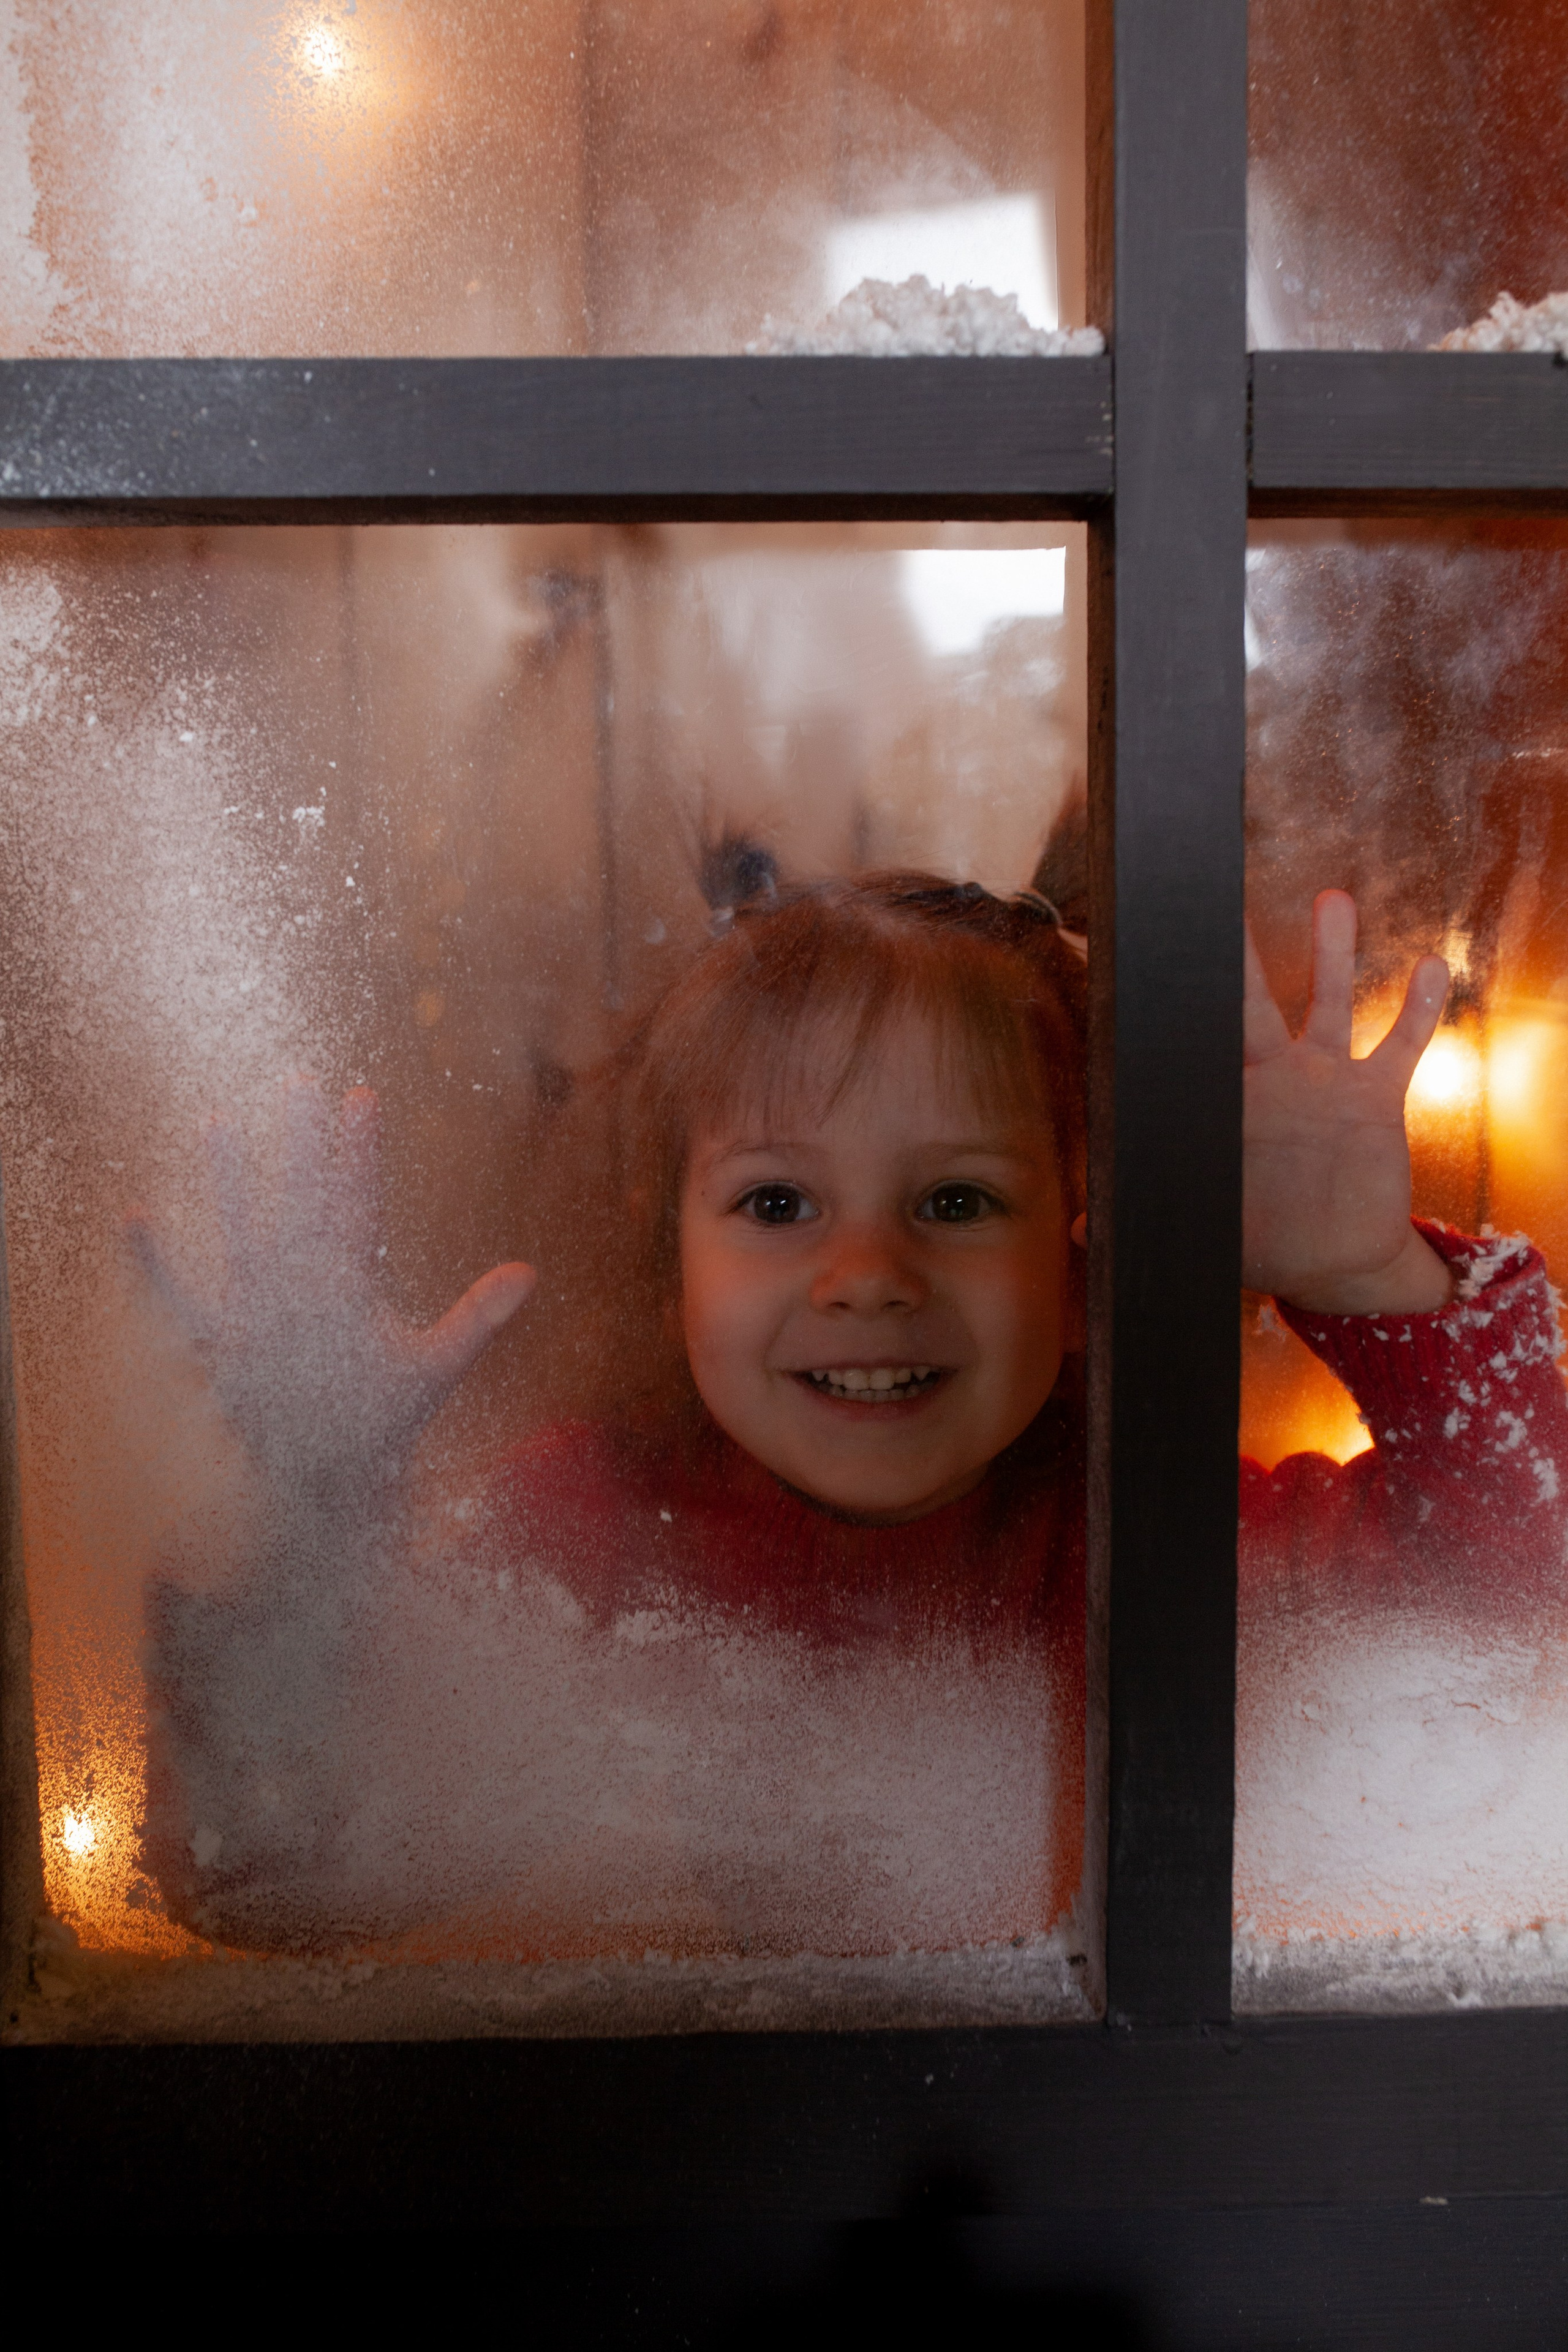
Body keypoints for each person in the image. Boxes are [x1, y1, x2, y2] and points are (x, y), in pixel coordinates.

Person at [134, 877, 1568, 1962]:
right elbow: (261, 1875)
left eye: (956, 1201)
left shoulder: (1156, 1527)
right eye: (774, 1204)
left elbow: (1531, 1612)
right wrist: (319, 1518)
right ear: (671, 1262)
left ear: (1080, 1270)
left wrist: (1370, 1278)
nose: (867, 1275)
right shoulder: (589, 1524)